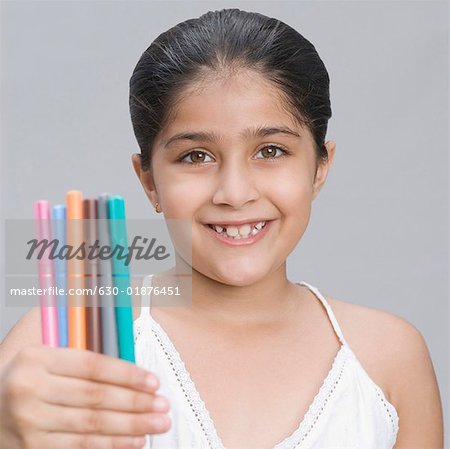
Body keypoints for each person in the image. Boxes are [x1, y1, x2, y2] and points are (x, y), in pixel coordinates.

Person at [0, 8, 443, 449]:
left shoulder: (388, 356)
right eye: (196, 156)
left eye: (270, 150)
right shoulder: (60, 344)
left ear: (320, 167)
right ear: (149, 180)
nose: (234, 192)